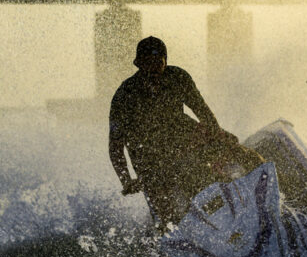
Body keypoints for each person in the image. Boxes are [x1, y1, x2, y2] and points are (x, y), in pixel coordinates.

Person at [109, 36, 263, 229]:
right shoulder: (124, 96)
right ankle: (168, 235)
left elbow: (203, 112)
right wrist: (127, 180)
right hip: (148, 156)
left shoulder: (177, 77)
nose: (153, 71)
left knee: (233, 150)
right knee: (166, 213)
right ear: (138, 64)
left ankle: (266, 188)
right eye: (147, 64)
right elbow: (115, 147)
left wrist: (219, 137)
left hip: (182, 136)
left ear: (165, 62)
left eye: (158, 64)